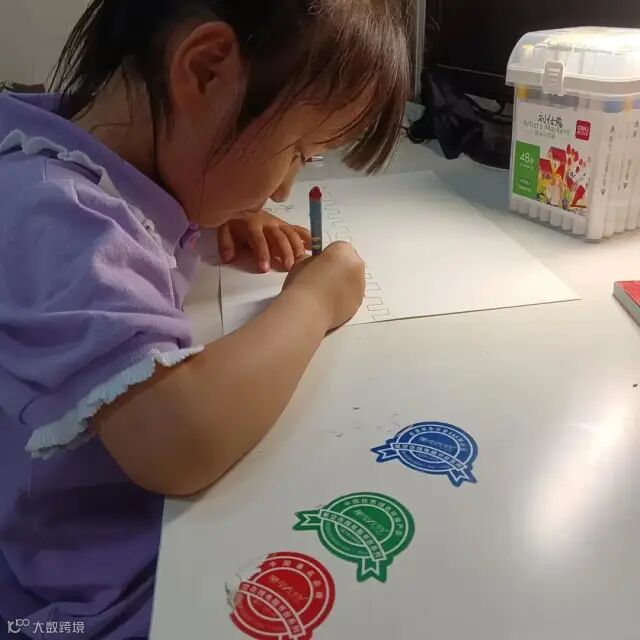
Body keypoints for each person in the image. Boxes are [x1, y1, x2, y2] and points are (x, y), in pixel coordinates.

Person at [0, 1, 409, 637]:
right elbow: (178, 440)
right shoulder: (55, 216)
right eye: (298, 151)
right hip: (96, 599)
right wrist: (314, 300)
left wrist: (216, 216)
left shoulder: (81, 146)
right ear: (206, 70)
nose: (284, 189)